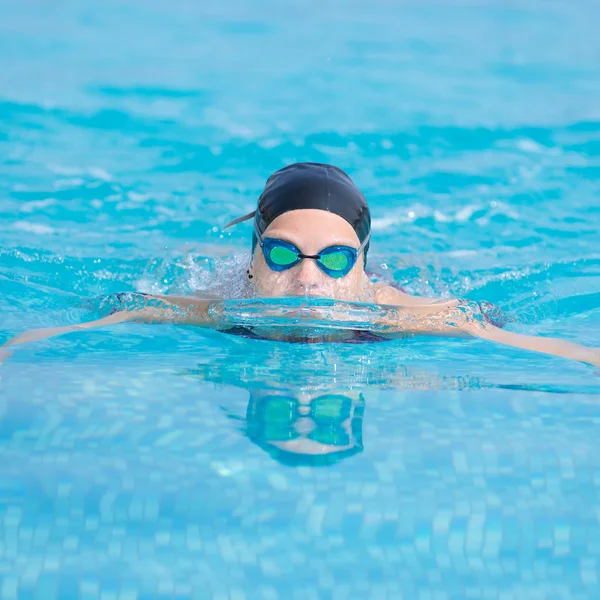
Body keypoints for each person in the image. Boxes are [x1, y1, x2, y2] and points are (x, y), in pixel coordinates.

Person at [1, 162, 599, 368]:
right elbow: (117, 316)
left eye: (336, 260)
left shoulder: (405, 315)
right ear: (254, 254)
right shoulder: (214, 306)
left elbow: (505, 336)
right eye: (283, 253)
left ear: (363, 265)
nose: (308, 279)